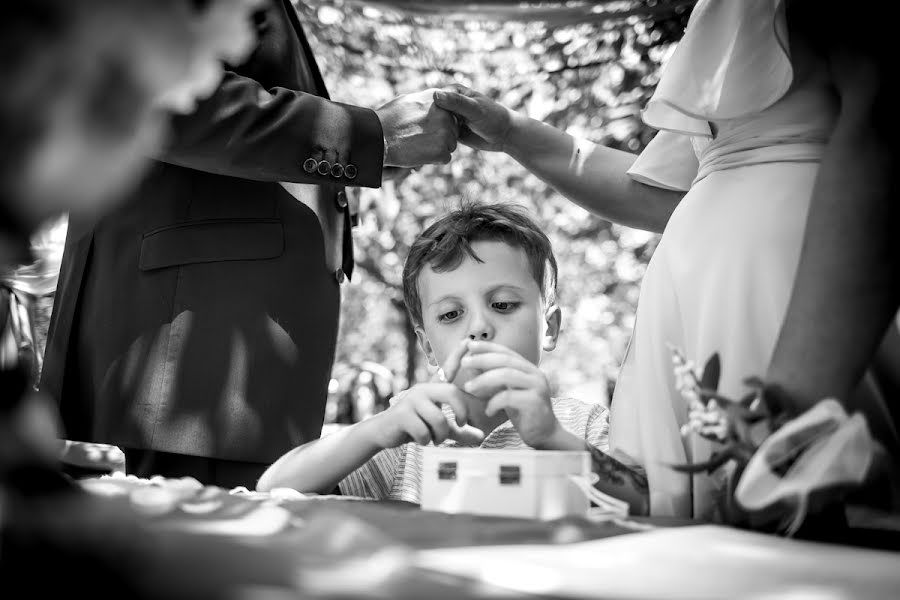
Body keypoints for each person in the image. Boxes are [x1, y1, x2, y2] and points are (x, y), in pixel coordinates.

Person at [433, 0, 899, 519]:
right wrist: (511, 132)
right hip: (693, 303)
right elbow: (661, 192)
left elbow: (882, 111)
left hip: (798, 290)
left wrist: (800, 406)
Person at [39, 0, 460, 489]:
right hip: (185, 374)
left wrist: (352, 171)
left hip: (228, 376)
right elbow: (145, 86)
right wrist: (368, 137)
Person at [257, 203, 649, 513]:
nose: (478, 327)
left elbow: (646, 503)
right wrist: (375, 431)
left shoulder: (583, 425)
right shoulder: (407, 432)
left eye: (502, 304)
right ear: (427, 346)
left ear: (549, 327)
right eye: (450, 314)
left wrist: (553, 438)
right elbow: (273, 489)